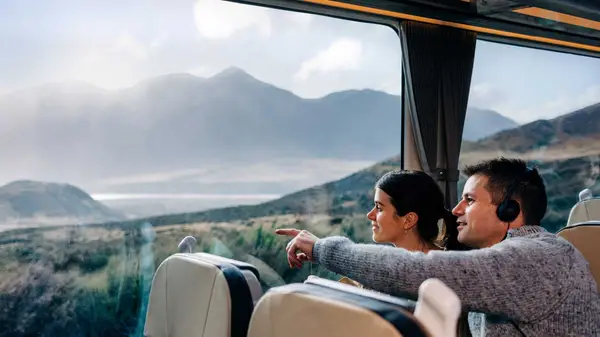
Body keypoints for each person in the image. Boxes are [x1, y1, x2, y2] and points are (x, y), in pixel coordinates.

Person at [276, 157, 600, 336]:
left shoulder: (540, 259)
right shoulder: (500, 264)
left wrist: (321, 249)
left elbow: (419, 272)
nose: (456, 210)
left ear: (509, 209)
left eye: (469, 200)